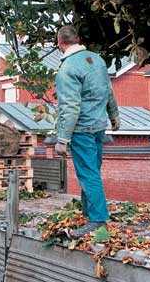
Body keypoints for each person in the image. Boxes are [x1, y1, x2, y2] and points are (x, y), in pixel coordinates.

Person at [54, 25, 120, 239]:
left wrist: (62, 138)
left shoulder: (67, 69)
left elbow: (70, 106)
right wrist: (114, 116)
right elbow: (108, 90)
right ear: (78, 39)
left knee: (88, 173)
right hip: (99, 126)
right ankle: (89, 212)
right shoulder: (97, 60)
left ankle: (97, 220)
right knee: (92, 171)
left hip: (81, 129)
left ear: (59, 44)